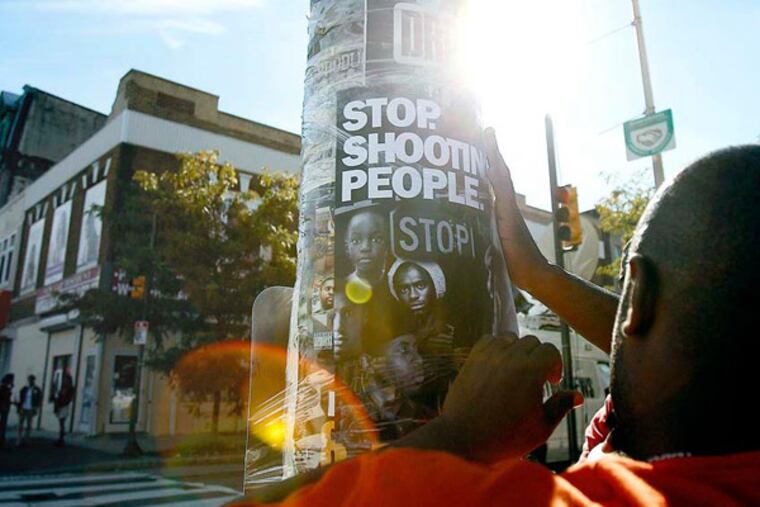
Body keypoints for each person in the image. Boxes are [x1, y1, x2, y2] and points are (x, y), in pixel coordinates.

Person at [237, 139, 760, 506]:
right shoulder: (705, 425)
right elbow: (696, 335)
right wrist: (536, 274)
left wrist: (460, 435)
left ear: (637, 298)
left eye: (625, 295)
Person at [17, 374, 42, 446]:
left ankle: (27, 439)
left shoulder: (36, 389)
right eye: (29, 380)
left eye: (32, 380)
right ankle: (19, 439)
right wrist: (19, 407)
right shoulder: (24, 388)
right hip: (23, 408)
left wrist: (36, 407)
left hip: (31, 408)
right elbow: (20, 398)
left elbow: (39, 399)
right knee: (20, 424)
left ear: (34, 381)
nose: (31, 381)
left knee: (29, 424)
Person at [53, 370, 74, 446]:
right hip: (61, 404)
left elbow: (67, 394)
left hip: (63, 404)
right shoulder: (65, 386)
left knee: (62, 422)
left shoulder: (67, 387)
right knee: (61, 422)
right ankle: (61, 438)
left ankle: (61, 438)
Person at [0, 373, 13, 447]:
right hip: (3, 407)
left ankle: (2, 438)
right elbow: (4, 397)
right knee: (3, 424)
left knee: (3, 424)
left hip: (5, 407)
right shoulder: (3, 388)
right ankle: (1, 439)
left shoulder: (6, 387)